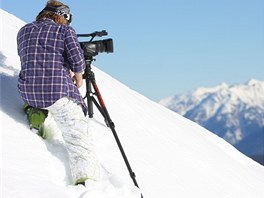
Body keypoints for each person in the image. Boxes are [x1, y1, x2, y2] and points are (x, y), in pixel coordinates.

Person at [17, 0, 100, 185]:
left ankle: (36, 113)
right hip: (57, 93)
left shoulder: (23, 31)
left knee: (41, 95)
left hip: (28, 92)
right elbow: (78, 62)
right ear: (61, 16)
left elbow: (29, 59)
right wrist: (78, 78)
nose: (68, 24)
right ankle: (85, 180)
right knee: (78, 136)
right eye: (68, 20)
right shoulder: (64, 31)